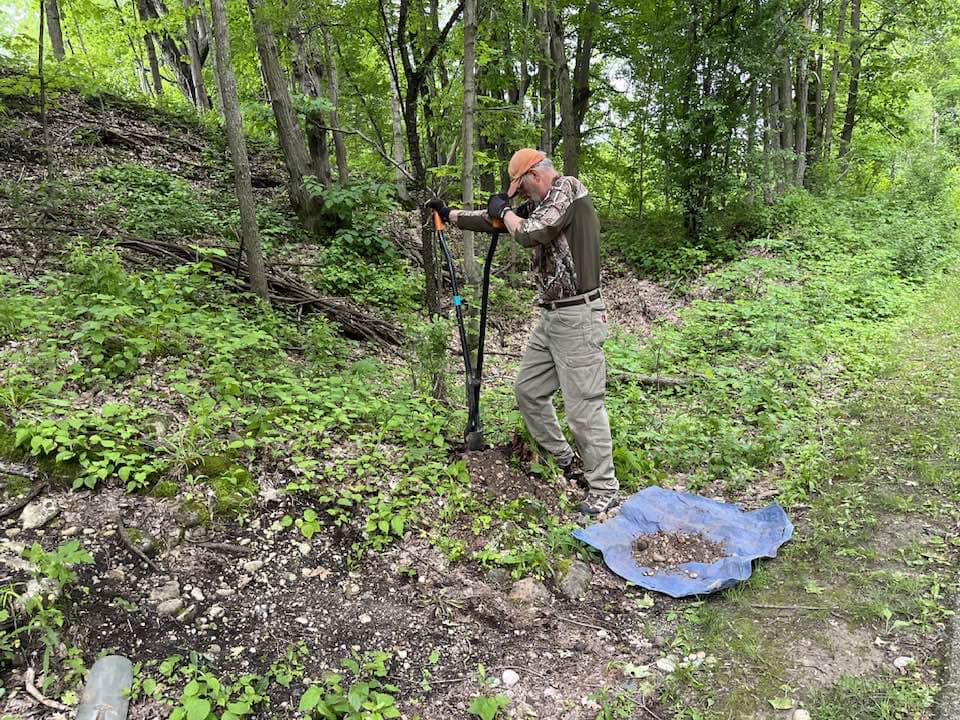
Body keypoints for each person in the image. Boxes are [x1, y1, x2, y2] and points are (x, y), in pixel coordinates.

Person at [427, 149, 619, 516]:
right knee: (529, 391)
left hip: (578, 317)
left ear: (535, 174)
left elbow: (531, 232)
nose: (522, 195)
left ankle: (604, 487)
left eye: (522, 187)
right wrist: (449, 214)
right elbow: (497, 222)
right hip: (551, 318)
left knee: (583, 408)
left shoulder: (567, 189)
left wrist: (507, 212)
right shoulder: (541, 204)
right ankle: (563, 460)